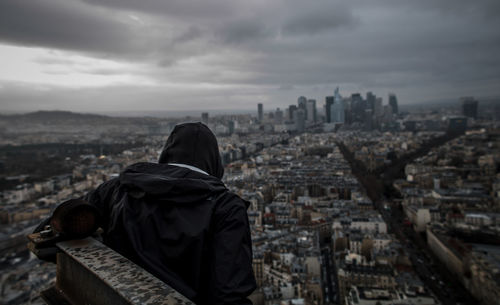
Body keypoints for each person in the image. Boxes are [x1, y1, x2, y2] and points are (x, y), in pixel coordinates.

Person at [57, 122, 256, 304]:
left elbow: (59, 226)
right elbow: (229, 293)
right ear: (214, 161)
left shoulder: (118, 187)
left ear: (166, 153)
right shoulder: (226, 208)